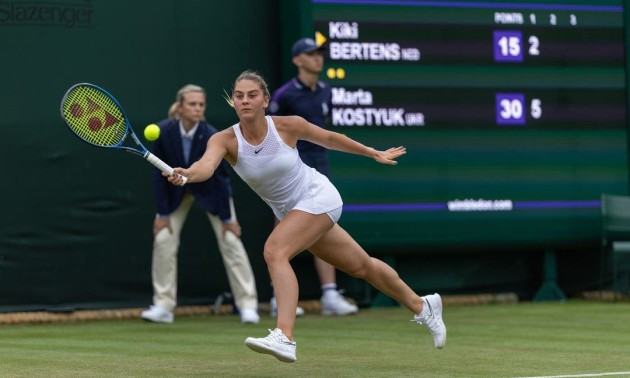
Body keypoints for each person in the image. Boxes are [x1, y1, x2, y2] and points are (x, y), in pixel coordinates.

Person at [165, 71, 446, 363]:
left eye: (251, 95)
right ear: (233, 101)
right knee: (362, 266)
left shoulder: (288, 126)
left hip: (318, 196)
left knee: (275, 251)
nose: (245, 101)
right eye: (239, 96)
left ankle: (284, 336)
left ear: (265, 100)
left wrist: (371, 152)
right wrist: (187, 175)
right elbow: (204, 167)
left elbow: (330, 139)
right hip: (294, 212)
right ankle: (422, 305)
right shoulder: (224, 140)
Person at [140, 84, 260, 325]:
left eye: (201, 104)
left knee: (231, 241)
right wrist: (161, 214)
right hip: (175, 193)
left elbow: (221, 179)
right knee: (163, 239)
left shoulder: (212, 134)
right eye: (192, 104)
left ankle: (248, 305)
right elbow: (158, 177)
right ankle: (163, 305)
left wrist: (228, 219)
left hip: (210, 191)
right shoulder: (163, 132)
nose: (197, 108)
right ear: (180, 107)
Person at [267, 37, 357, 317]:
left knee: (323, 228)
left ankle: (329, 294)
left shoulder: (326, 92)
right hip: (288, 170)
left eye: (319, 53)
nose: (318, 58)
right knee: (282, 226)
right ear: (297, 60)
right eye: (311, 54)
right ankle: (277, 296)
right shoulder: (284, 96)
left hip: (319, 167)